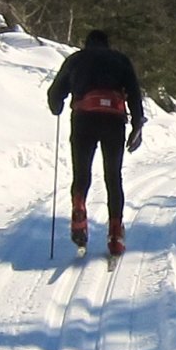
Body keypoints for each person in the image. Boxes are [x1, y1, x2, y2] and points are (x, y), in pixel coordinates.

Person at [46, 29, 145, 255]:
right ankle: (115, 233)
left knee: (81, 173)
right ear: (107, 44)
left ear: (86, 43)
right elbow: (135, 94)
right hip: (113, 121)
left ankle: (79, 207)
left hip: (84, 119)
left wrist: (57, 106)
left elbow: (55, 94)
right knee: (113, 176)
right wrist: (137, 125)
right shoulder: (120, 60)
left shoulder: (76, 59)